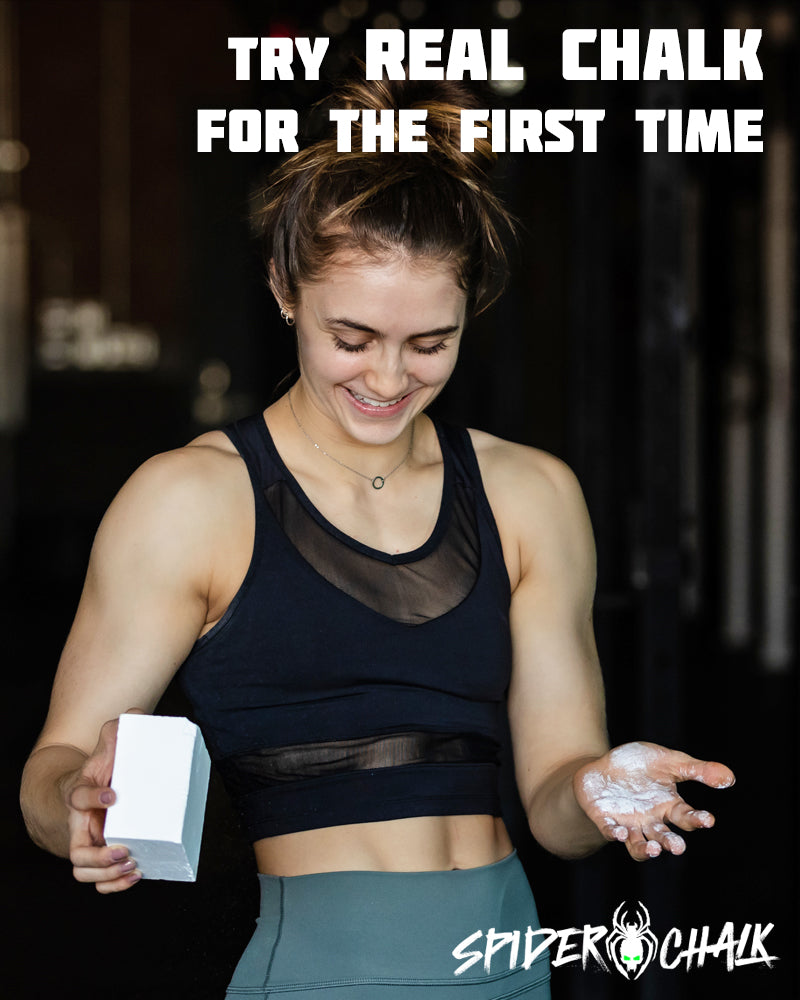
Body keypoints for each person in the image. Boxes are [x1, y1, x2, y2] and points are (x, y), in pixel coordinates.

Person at [20, 73, 734, 999]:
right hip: (321, 975)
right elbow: (55, 764)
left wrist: (599, 789)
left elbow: (555, 801)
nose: (389, 378)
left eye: (429, 343)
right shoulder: (190, 500)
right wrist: (74, 804)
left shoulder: (530, 492)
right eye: (352, 337)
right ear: (284, 289)